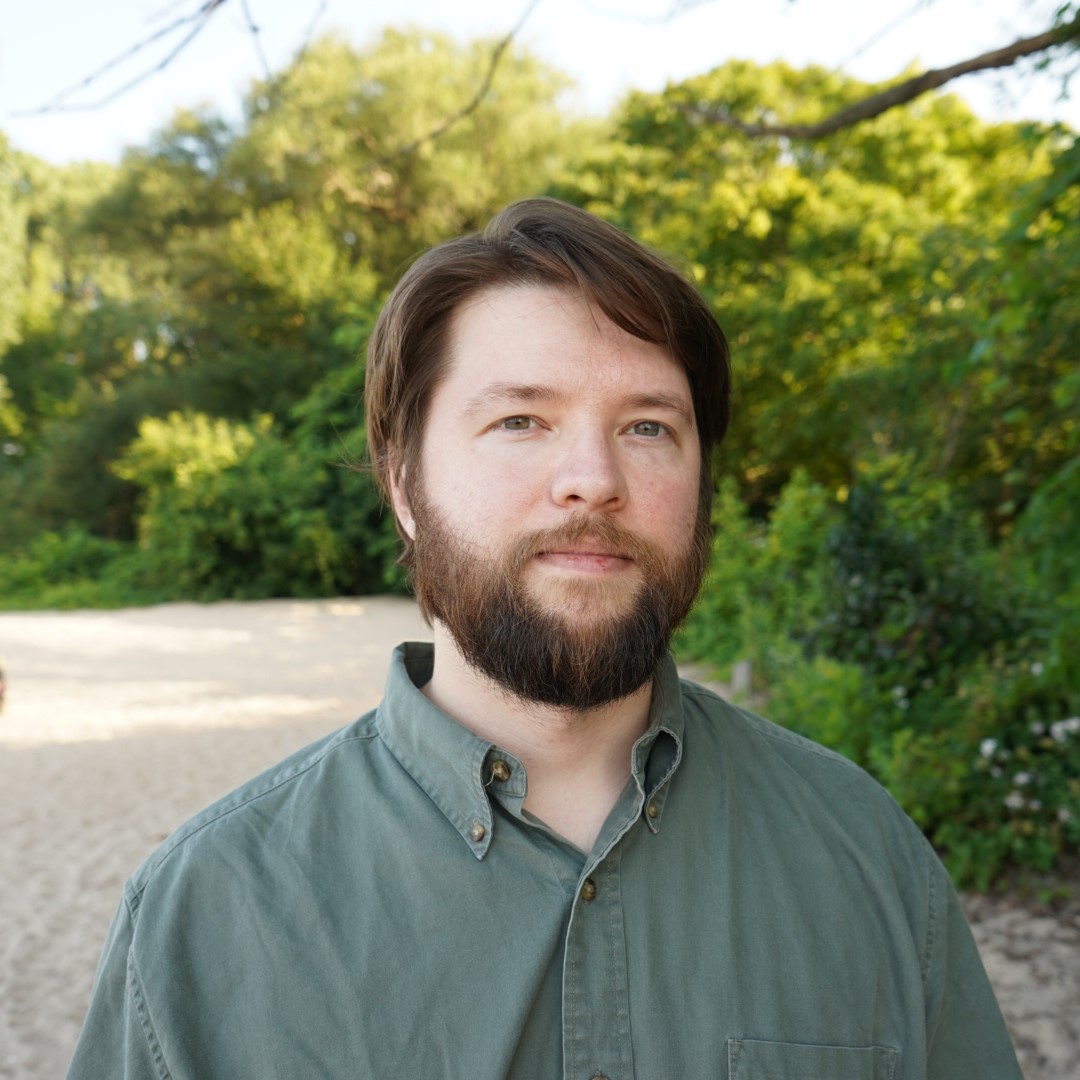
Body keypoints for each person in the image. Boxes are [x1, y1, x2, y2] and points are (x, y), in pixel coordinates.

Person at [68, 198, 1022, 1079]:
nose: (592, 478)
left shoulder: (866, 854)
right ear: (404, 486)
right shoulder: (210, 911)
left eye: (648, 428)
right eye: (521, 420)